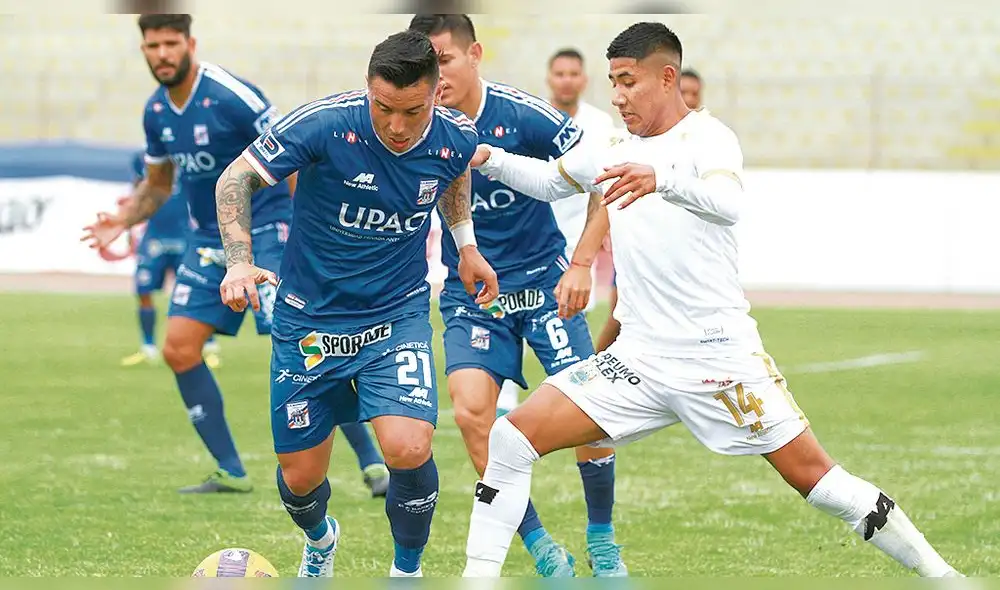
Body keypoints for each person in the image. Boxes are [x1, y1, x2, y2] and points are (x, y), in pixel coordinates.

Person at [459, 22, 964, 579]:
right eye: (613, 83)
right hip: (639, 361)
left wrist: (663, 180)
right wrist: (487, 157)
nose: (618, 95)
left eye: (628, 81)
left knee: (819, 481)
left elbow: (727, 202)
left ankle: (945, 577)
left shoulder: (709, 139)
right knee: (511, 437)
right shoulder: (611, 144)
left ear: (667, 76)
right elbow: (553, 180)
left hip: (717, 360)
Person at [213, 29, 497, 577]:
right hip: (309, 321)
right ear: (368, 89)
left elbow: (454, 173)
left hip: (396, 315)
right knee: (299, 477)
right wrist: (238, 260)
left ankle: (406, 571)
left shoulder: (457, 135)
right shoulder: (324, 123)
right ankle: (320, 540)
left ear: (437, 93)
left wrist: (466, 246)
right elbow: (237, 177)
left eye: (411, 111)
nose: (395, 125)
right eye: (382, 106)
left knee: (409, 446)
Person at [81, 14, 390, 499]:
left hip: (268, 231)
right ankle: (230, 471)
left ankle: (372, 462)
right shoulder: (155, 112)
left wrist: (310, 233)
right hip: (206, 241)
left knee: (310, 348)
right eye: (152, 45)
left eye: (170, 43)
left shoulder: (232, 96)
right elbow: (159, 185)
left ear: (190, 43)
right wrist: (122, 221)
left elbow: (294, 156)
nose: (161, 54)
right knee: (179, 349)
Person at [408, 14, 625, 578]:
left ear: (475, 53)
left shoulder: (523, 114)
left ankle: (601, 537)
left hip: (543, 285)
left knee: (593, 415)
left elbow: (605, 175)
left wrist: (581, 264)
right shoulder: (412, 123)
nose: (435, 76)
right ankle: (540, 546)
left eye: (445, 60)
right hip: (470, 291)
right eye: (425, 65)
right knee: (472, 413)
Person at [495, 48, 616, 416]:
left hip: (574, 244)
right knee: (513, 324)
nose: (566, 80)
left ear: (584, 80)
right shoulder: (531, 120)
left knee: (567, 324)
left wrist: (595, 240)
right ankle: (507, 400)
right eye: (559, 73)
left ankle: (579, 410)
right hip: (531, 242)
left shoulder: (600, 125)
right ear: (549, 78)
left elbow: (604, 185)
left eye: (573, 73)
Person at [595, 66, 701, 352]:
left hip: (684, 254)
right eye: (684, 92)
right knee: (621, 319)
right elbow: (610, 187)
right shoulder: (640, 138)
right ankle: (590, 371)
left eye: (694, 93)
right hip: (641, 246)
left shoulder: (707, 143)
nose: (688, 98)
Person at [119, 150, 223, 369]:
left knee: (196, 289)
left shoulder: (188, 153)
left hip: (184, 233)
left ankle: (208, 345)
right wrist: (129, 226)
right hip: (154, 235)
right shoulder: (142, 158)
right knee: (143, 290)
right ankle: (148, 347)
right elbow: (137, 191)